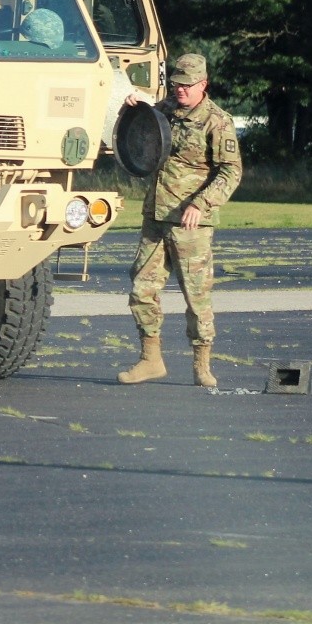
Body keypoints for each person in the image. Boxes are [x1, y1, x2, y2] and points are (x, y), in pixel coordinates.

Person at [117, 53, 244, 391]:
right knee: (141, 289)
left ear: (203, 84)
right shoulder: (166, 109)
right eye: (176, 84)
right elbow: (139, 132)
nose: (180, 90)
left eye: (187, 85)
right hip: (157, 216)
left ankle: (202, 365)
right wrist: (133, 106)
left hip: (191, 223)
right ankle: (151, 359)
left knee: (196, 297)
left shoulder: (217, 121)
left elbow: (231, 172)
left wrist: (201, 204)